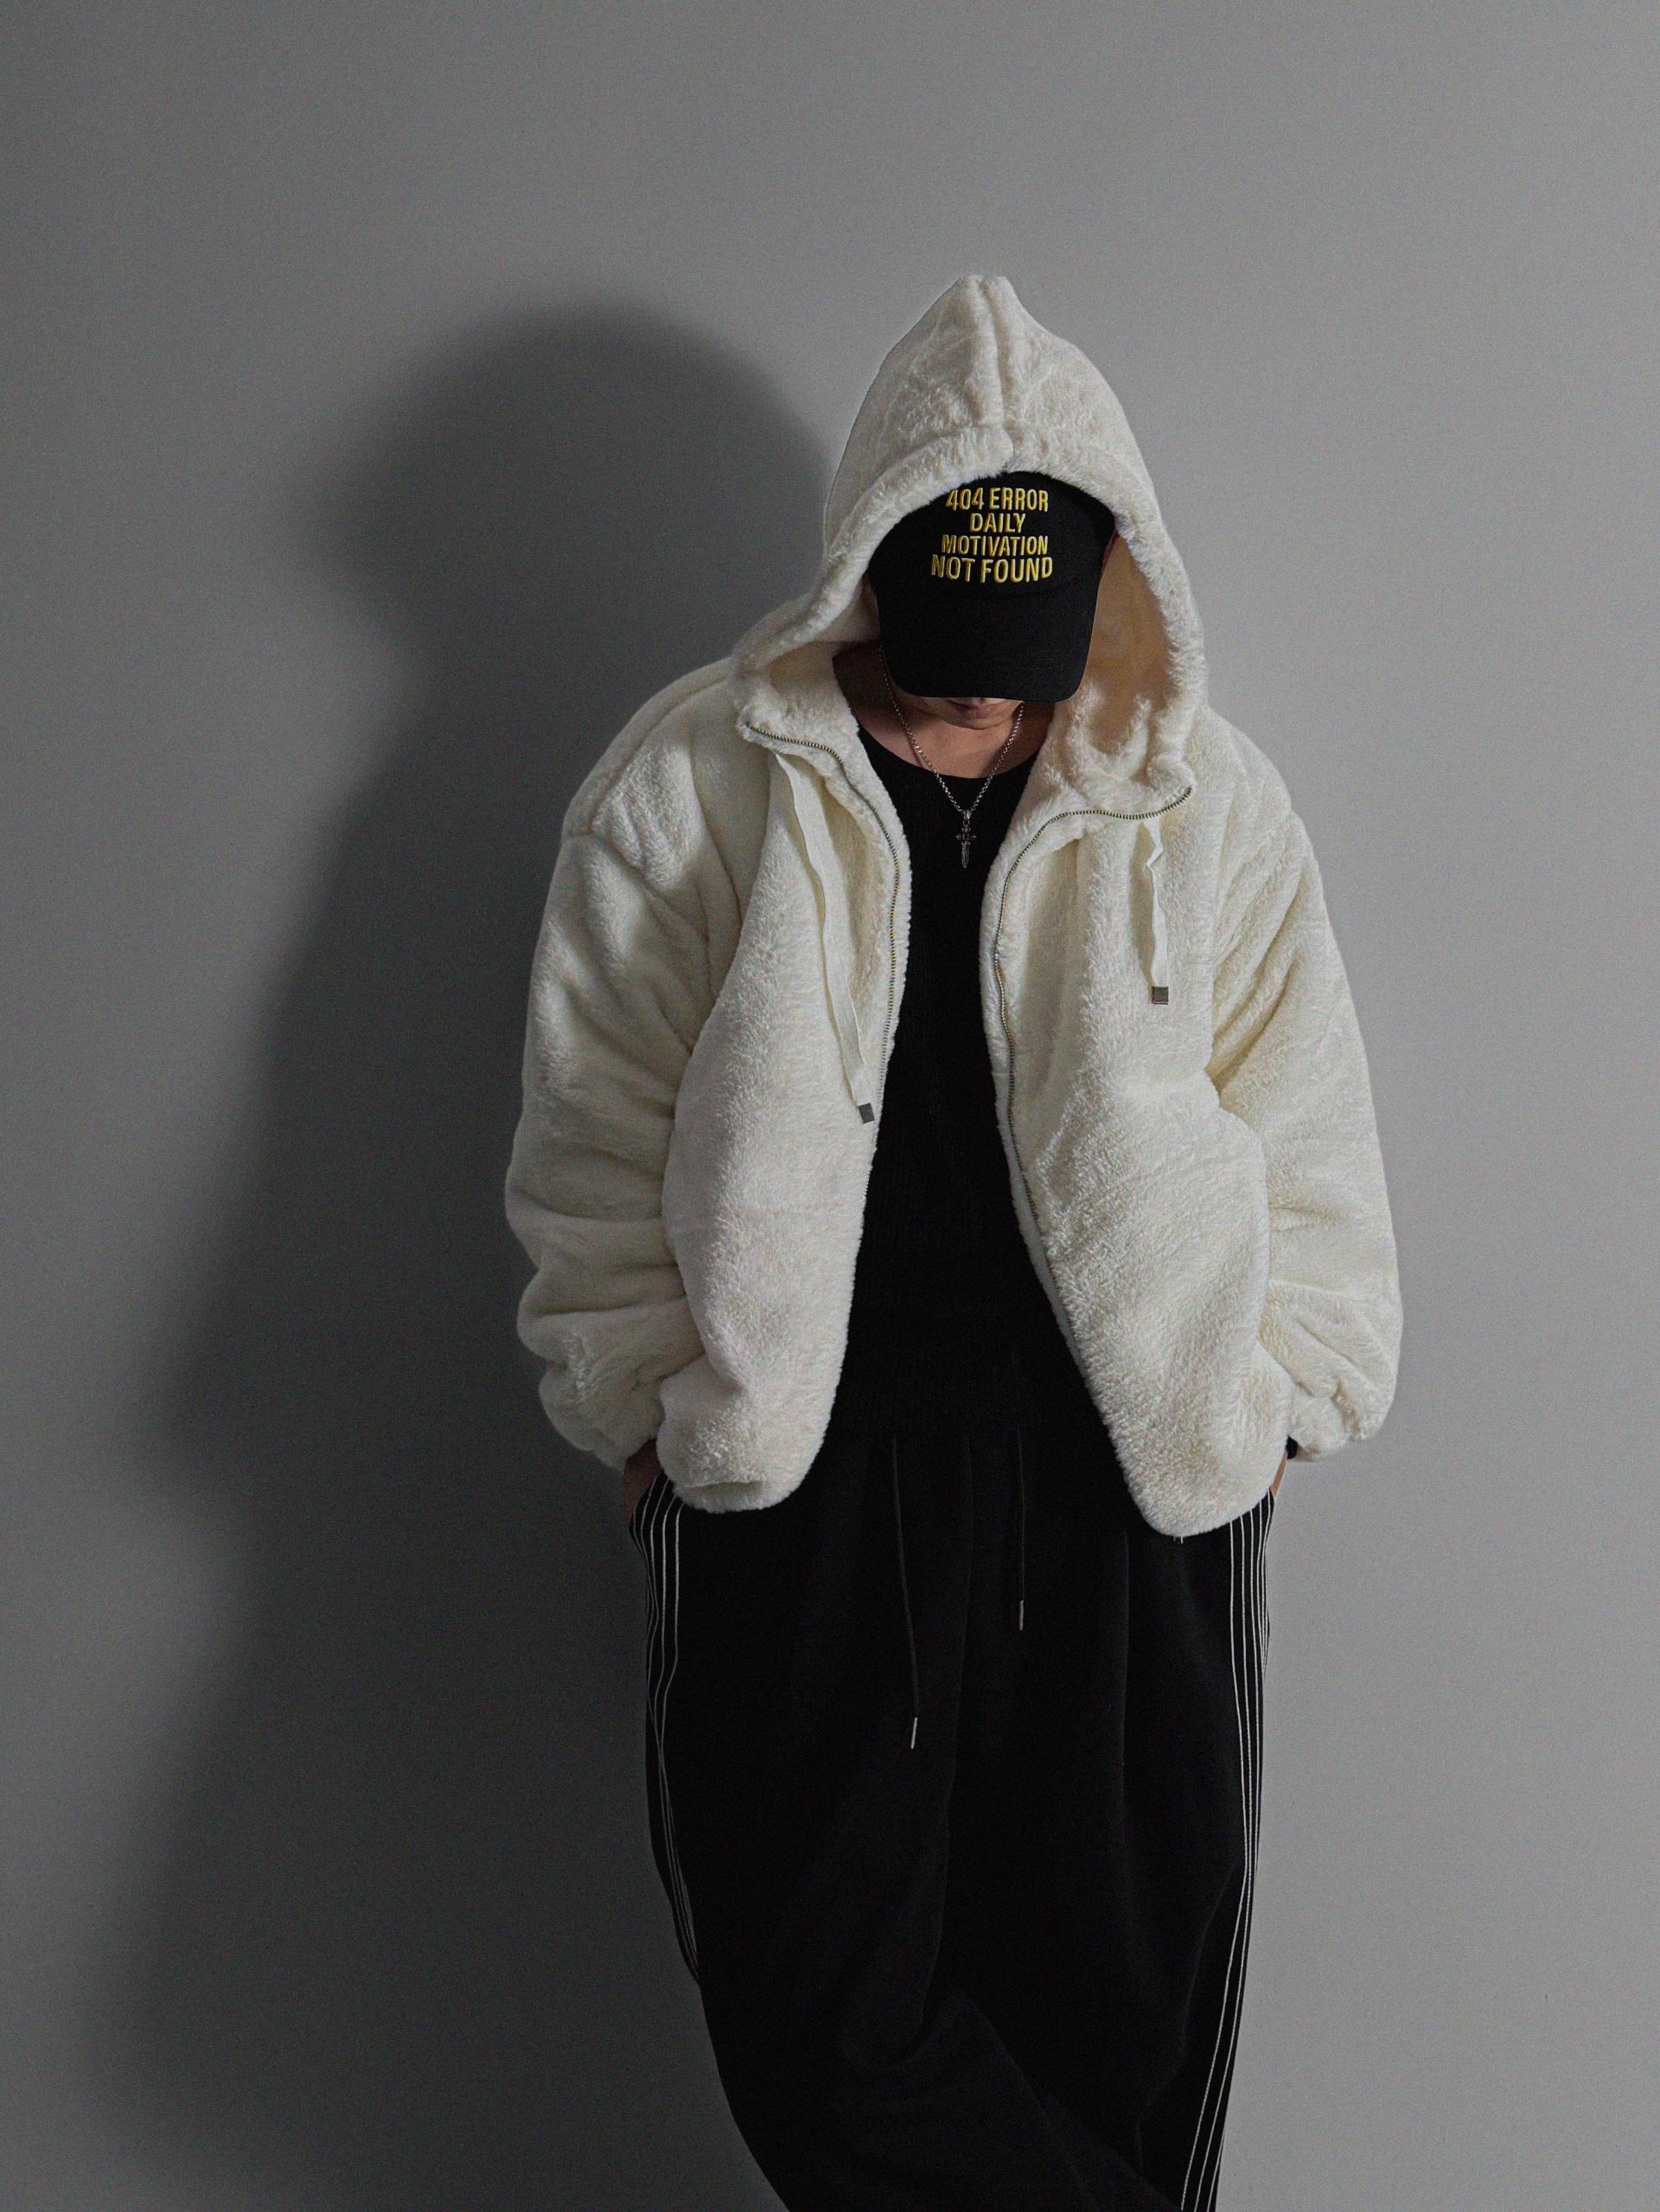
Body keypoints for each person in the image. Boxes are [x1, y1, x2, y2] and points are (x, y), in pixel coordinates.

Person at [504, 272, 1402, 2211]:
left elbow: (1305, 1112)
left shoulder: (1206, 802)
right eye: (952, 657)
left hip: (1127, 1481)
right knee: (820, 2020)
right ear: (864, 582)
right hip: (807, 1476)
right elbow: (596, 1129)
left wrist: (1286, 1393)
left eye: (1028, 662)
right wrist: (645, 1409)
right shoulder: (692, 788)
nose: (991, 702)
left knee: (1126, 2021)